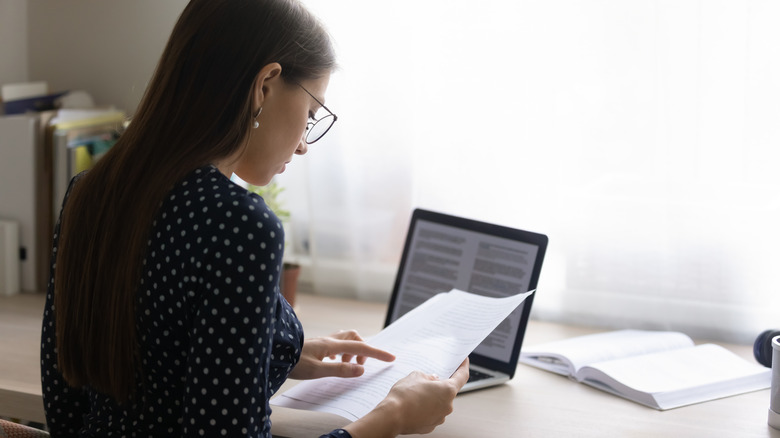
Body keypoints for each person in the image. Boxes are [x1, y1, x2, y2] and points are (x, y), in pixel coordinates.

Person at [39, 0, 469, 436]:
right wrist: (393, 416)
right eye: (311, 114)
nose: (304, 144)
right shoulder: (238, 224)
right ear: (265, 85)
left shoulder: (88, 194)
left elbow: (69, 407)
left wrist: (274, 350)